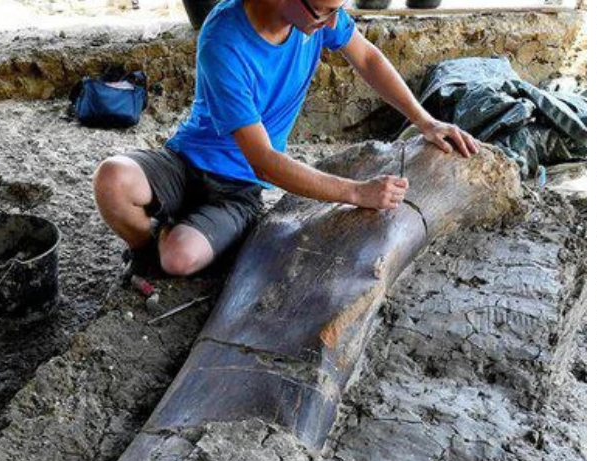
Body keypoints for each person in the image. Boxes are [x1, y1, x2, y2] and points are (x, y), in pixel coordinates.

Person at [92, 0, 479, 282]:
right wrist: (356, 193)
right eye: (322, 11)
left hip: (238, 188)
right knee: (112, 178)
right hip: (186, 160)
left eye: (335, 10)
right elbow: (262, 158)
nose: (331, 21)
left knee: (179, 258)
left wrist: (425, 120)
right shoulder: (223, 38)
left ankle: (176, 234)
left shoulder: (318, 17)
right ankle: (145, 249)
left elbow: (368, 59)